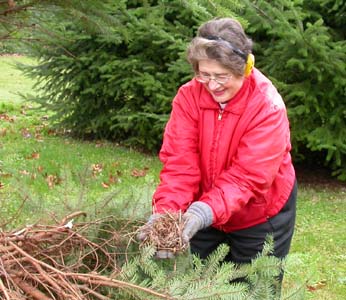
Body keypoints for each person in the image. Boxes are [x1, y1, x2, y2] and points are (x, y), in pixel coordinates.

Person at [139, 17, 297, 293]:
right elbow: (180, 165)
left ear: (244, 69)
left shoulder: (267, 106)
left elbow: (247, 179)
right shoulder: (188, 98)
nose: (212, 85)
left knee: (253, 290)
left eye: (221, 76)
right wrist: (165, 215)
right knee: (198, 286)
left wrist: (200, 213)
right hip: (205, 208)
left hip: (259, 215)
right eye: (205, 75)